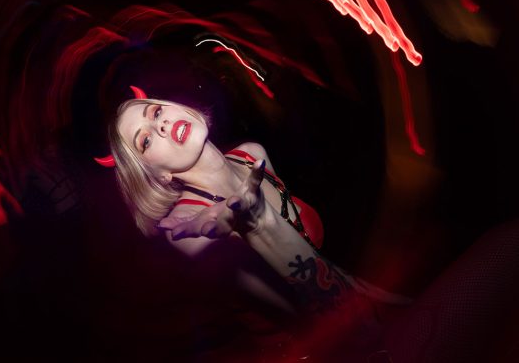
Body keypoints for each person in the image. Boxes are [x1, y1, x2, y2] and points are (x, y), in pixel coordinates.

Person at [107, 95, 408, 323]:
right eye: (146, 140)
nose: (160, 124)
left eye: (156, 112)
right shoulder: (190, 230)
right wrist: (257, 224)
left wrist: (394, 302)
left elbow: (326, 265)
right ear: (159, 175)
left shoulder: (252, 154)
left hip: (359, 299)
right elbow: (308, 314)